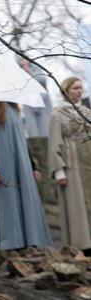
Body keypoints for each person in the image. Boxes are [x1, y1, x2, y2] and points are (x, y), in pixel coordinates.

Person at [0, 101, 52, 250]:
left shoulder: (14, 108)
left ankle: (30, 239)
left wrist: (32, 167)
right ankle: (11, 242)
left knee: (26, 200)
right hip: (2, 163)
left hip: (21, 164)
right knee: (7, 202)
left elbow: (22, 141)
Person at [48, 77, 91, 250]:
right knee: (77, 203)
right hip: (71, 161)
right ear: (66, 91)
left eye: (81, 88)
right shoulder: (57, 114)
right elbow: (53, 144)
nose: (79, 91)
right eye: (75, 88)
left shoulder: (86, 112)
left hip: (88, 158)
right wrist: (60, 171)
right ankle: (81, 245)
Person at [19, 58, 53, 137]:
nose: (23, 66)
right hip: (29, 104)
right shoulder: (20, 74)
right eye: (21, 65)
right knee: (33, 130)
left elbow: (43, 80)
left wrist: (30, 73)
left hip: (42, 102)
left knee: (45, 126)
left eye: (24, 63)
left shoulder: (36, 69)